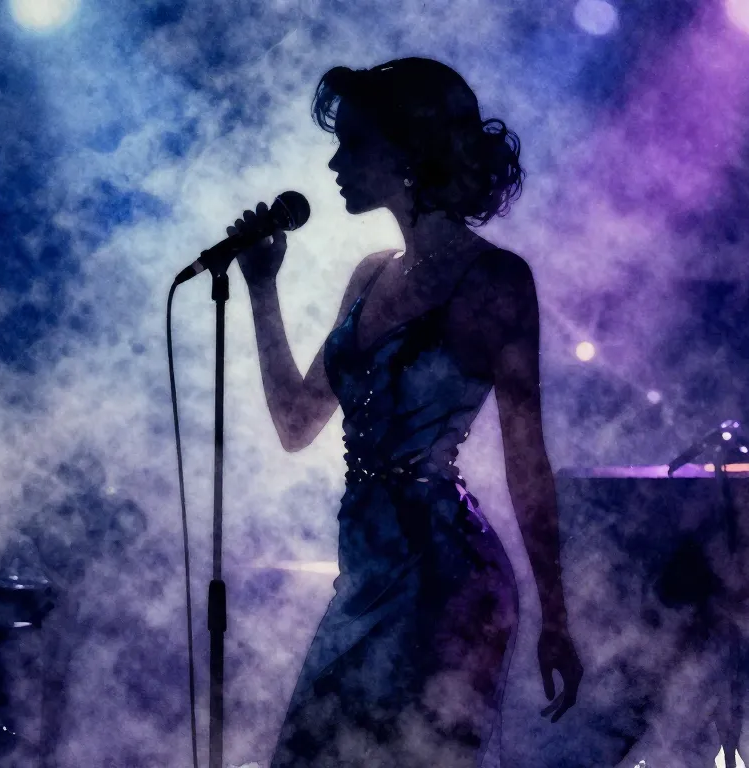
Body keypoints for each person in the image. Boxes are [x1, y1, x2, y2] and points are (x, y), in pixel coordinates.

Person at [230, 57, 583, 766]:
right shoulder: (370, 273)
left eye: (354, 143)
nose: (335, 163)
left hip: (445, 581)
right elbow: (297, 422)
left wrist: (556, 615)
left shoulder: (495, 279)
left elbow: (527, 458)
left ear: (408, 149)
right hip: (366, 575)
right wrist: (262, 288)